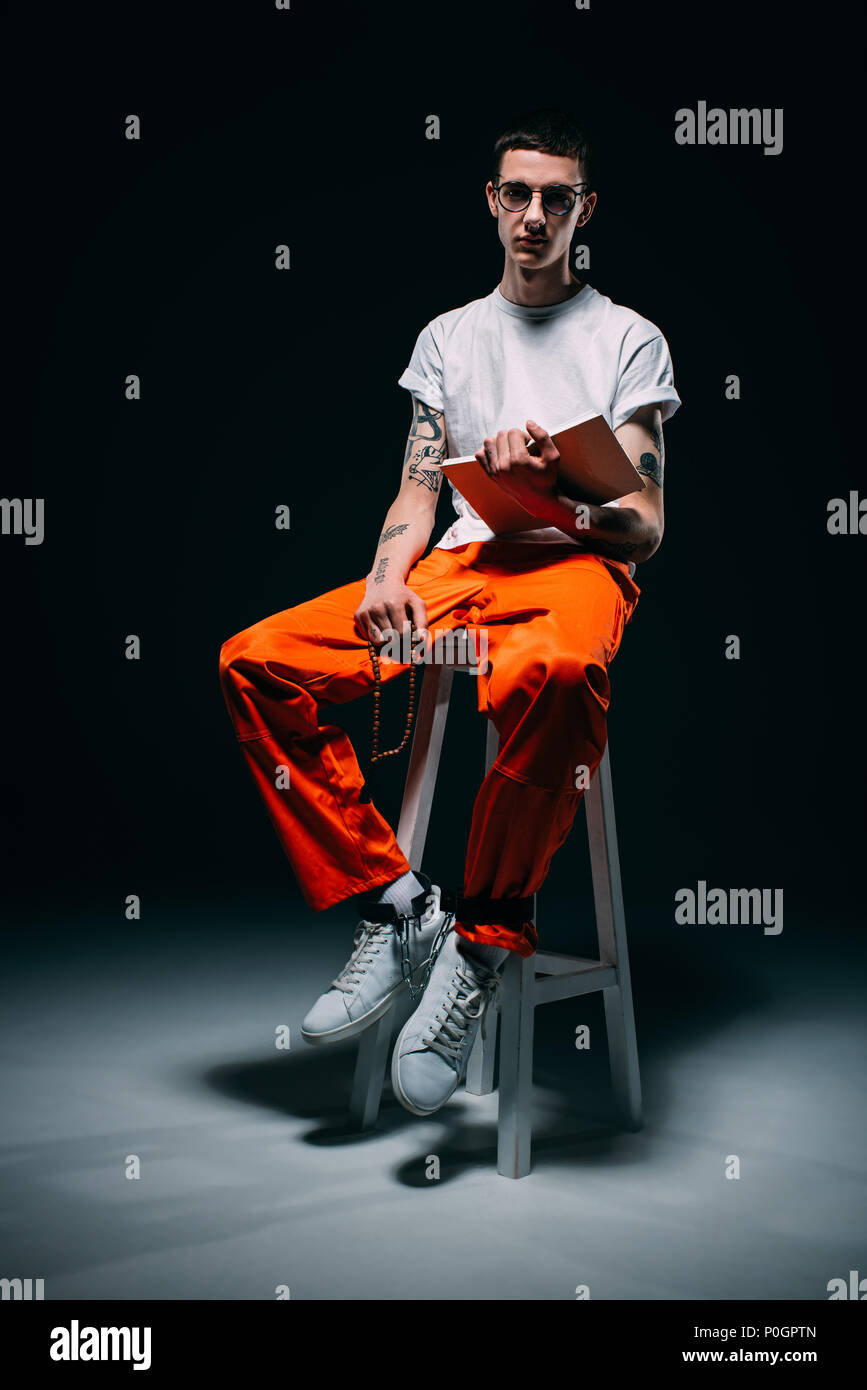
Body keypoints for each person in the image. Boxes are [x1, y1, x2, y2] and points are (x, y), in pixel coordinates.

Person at [219, 106, 681, 1118]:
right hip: (462, 562)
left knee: (552, 675)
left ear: (583, 209)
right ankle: (398, 903)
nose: (533, 215)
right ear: (491, 199)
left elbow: (645, 521)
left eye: (556, 198)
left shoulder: (628, 339)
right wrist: (389, 569)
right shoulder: (448, 338)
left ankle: (479, 945)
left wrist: (565, 487)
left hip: (573, 566)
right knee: (255, 660)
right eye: (516, 193)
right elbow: (420, 489)